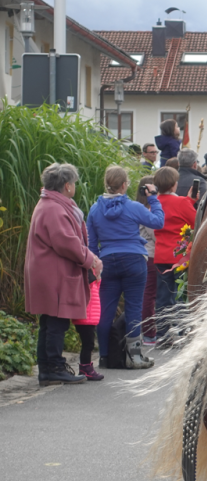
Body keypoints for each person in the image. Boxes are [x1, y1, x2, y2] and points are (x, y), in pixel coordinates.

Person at [24, 163, 103, 385]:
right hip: (53, 273)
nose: (75, 187)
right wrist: (92, 260)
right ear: (67, 185)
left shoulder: (49, 204)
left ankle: (48, 369)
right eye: (74, 183)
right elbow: (66, 243)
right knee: (57, 321)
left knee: (49, 322)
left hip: (48, 271)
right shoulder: (55, 208)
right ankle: (54, 368)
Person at [87, 165, 163, 369]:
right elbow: (158, 222)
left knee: (105, 310)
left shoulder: (95, 210)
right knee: (134, 307)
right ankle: (135, 357)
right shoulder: (134, 207)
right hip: (134, 260)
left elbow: (92, 245)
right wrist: (154, 198)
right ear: (123, 185)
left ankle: (104, 357)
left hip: (108, 261)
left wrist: (95, 267)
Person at [153, 167, 196, 346]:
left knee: (162, 297)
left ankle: (162, 334)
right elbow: (196, 222)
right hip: (180, 255)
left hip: (160, 255)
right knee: (181, 296)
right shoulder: (181, 203)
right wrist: (191, 201)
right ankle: (181, 330)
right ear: (174, 184)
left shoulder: (154, 203)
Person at [136, 176, 160, 346]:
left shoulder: (135, 207)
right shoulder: (148, 209)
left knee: (143, 294)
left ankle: (142, 331)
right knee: (149, 295)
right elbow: (154, 234)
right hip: (150, 254)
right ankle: (149, 333)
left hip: (139, 253)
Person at [71, 279, 103, 380]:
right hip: (86, 317)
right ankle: (86, 368)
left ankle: (86, 367)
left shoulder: (93, 279)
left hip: (89, 317)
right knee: (88, 344)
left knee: (88, 343)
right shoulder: (88, 276)